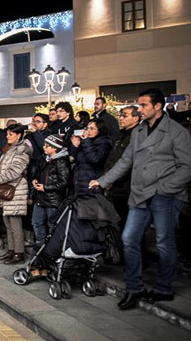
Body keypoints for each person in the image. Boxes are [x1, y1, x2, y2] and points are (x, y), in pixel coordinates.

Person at [91, 89, 191, 309]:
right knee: (128, 239)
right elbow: (125, 161)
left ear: (157, 106)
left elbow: (187, 167)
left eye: (144, 105)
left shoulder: (176, 132)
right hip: (138, 194)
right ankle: (134, 287)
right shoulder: (138, 132)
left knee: (164, 243)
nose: (139, 109)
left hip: (165, 195)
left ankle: (164, 287)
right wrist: (103, 180)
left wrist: (166, 187)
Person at [0, 124, 32, 265]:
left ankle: (19, 253)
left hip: (15, 190)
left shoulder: (22, 151)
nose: (7, 136)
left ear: (19, 135)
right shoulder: (8, 149)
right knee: (7, 221)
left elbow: (14, 172)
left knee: (15, 223)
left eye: (11, 134)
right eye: (7, 134)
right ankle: (11, 250)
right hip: (5, 189)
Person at [104, 106, 141, 230]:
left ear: (136, 118)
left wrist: (113, 180)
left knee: (131, 227)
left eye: (124, 115)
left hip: (127, 188)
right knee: (119, 224)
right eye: (120, 115)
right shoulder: (120, 135)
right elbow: (112, 159)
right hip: (115, 188)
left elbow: (130, 164)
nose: (120, 118)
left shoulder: (137, 136)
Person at [31, 135, 71, 249]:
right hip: (40, 197)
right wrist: (35, 180)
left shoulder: (61, 161)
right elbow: (38, 173)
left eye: (47, 146)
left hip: (53, 200)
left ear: (54, 148)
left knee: (53, 225)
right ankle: (40, 247)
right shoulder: (46, 159)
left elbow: (64, 182)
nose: (44, 147)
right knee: (36, 222)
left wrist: (46, 187)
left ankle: (52, 249)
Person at [69, 119, 112, 195]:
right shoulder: (86, 142)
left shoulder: (104, 144)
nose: (88, 131)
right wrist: (75, 146)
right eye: (87, 128)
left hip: (92, 183)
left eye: (92, 129)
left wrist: (86, 141)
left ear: (100, 130)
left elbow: (94, 159)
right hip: (79, 181)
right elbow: (73, 159)